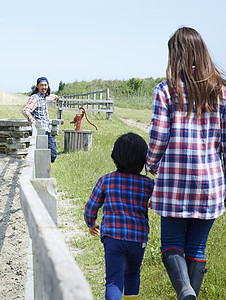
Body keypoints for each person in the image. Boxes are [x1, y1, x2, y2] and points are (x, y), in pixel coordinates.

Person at [146, 27, 226, 300]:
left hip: (174, 181)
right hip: (210, 182)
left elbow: (158, 136)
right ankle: (190, 295)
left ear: (176, 54)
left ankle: (184, 290)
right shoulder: (221, 90)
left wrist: (152, 164)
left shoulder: (165, 90)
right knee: (198, 247)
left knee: (171, 244)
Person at [84, 132, 154, 300]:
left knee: (114, 281)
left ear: (115, 157)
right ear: (144, 160)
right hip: (138, 239)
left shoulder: (106, 181)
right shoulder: (149, 184)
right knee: (132, 274)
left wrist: (91, 222)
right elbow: (160, 202)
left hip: (113, 239)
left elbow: (90, 208)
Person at [22, 76, 59, 163]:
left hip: (46, 130)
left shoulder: (42, 97)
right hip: (40, 131)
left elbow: (46, 98)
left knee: (51, 154)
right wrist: (32, 120)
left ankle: (45, 170)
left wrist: (54, 97)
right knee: (50, 154)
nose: (44, 87)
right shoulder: (35, 98)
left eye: (45, 85)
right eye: (41, 85)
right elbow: (25, 110)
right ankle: (43, 171)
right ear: (37, 86)